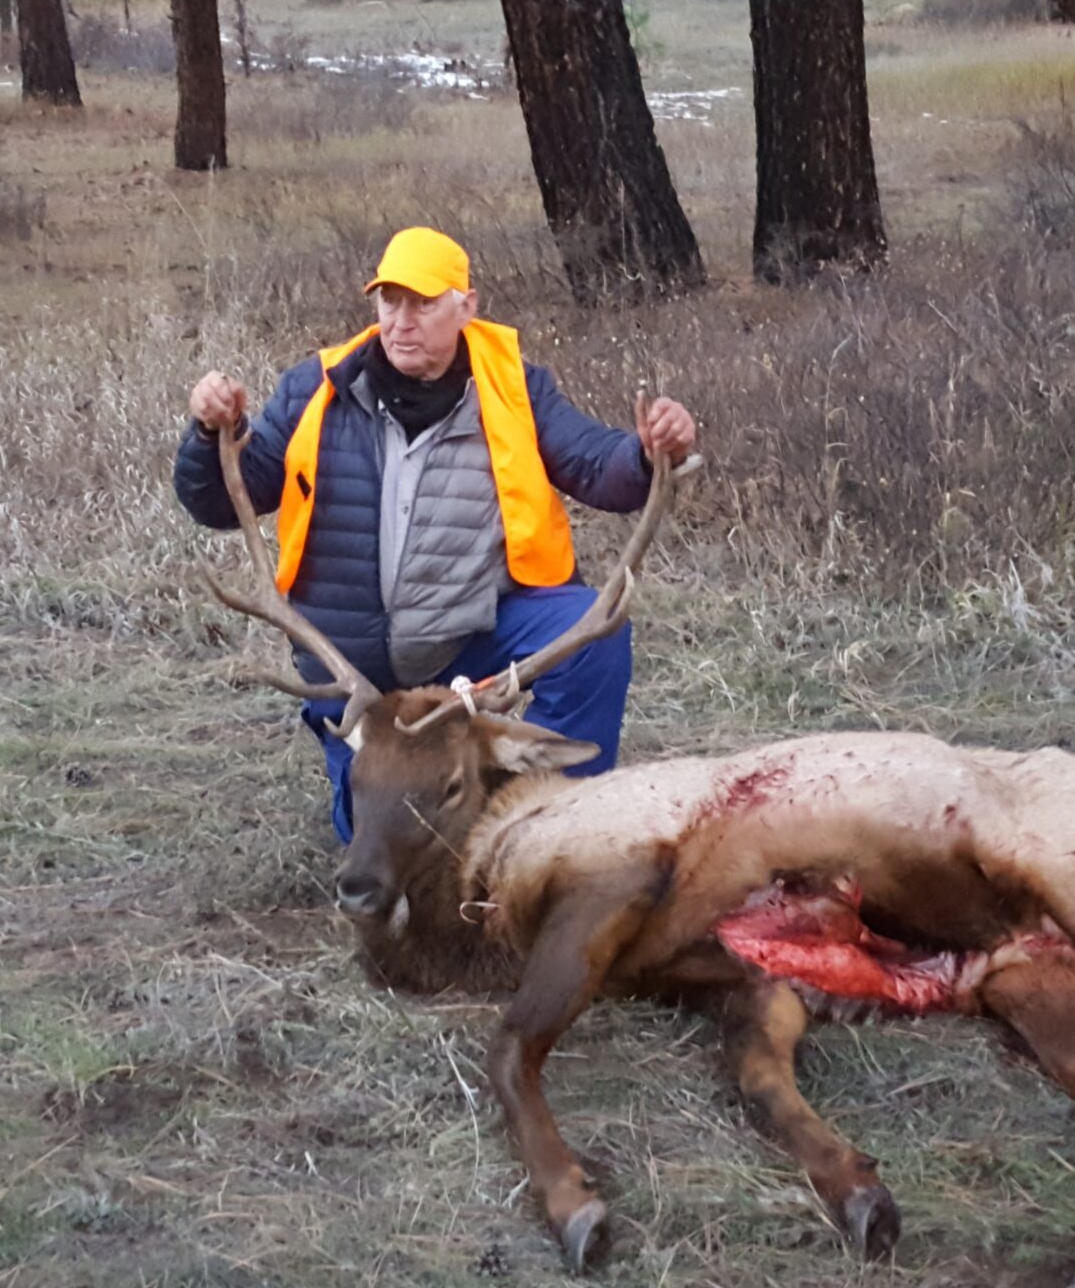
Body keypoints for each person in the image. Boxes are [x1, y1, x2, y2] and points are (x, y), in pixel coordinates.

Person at [173, 226, 698, 843]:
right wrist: (211, 435)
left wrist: (647, 450)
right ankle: (448, 790)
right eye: (389, 302)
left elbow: (594, 464)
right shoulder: (316, 391)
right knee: (392, 846)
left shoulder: (512, 388)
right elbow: (219, 500)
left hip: (468, 641)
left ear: (465, 307)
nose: (402, 321)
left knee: (593, 628)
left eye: (423, 303)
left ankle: (557, 822)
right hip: (356, 678)